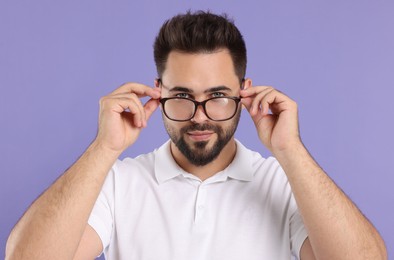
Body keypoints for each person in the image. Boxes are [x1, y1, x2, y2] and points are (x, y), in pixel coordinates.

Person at [6, 11, 387, 260]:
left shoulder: (282, 183)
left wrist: (291, 151)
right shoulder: (119, 182)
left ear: (245, 91)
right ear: (158, 91)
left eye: (218, 96)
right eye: (183, 97)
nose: (200, 118)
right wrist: (103, 148)